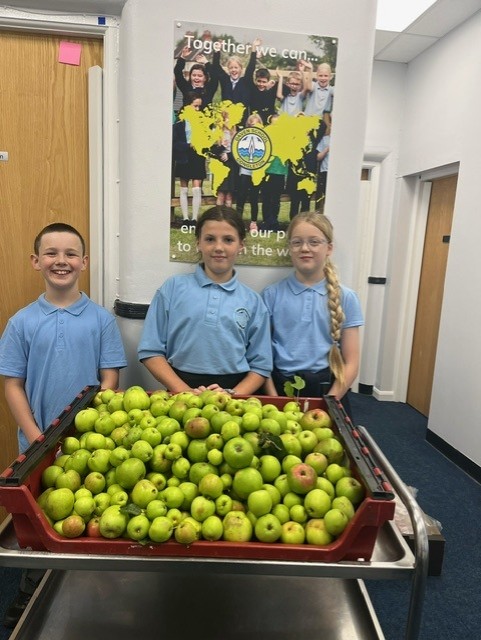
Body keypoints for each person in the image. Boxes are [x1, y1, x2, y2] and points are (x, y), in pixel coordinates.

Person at [0, 222, 127, 628]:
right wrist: (37, 437)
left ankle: (89, 590)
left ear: (84, 263)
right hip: (35, 446)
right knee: (36, 526)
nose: (61, 261)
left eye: (71, 254)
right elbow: (12, 384)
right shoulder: (21, 322)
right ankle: (29, 587)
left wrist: (95, 431)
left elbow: (110, 380)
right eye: (51, 253)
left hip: (90, 446)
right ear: (36, 262)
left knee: (86, 516)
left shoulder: (101, 320)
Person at [138, 206, 272, 395]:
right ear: (198, 243)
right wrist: (183, 390)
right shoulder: (173, 288)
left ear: (241, 245)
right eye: (210, 239)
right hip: (180, 391)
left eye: (228, 240)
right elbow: (150, 350)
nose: (219, 247)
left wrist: (232, 395)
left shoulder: (253, 302)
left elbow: (261, 365)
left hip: (235, 396)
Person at [261, 212, 363, 417]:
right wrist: (274, 400)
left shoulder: (347, 297)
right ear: (289, 248)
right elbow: (262, 356)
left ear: (329, 248)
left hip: (330, 392)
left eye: (314, 242)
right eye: (297, 242)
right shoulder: (271, 295)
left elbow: (351, 362)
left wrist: (330, 404)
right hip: (281, 392)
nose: (305, 248)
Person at [172, 92, 206, 222]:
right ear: (187, 106)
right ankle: (186, 218)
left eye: (199, 107)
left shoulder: (203, 121)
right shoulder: (179, 123)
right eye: (195, 106)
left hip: (197, 156)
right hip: (184, 156)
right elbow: (174, 143)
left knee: (197, 187)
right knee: (184, 188)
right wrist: (188, 145)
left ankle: (194, 218)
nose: (197, 109)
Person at [235, 112, 263, 231]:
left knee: (254, 198)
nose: (253, 127)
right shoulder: (243, 136)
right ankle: (238, 222)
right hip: (245, 171)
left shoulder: (263, 138)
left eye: (256, 125)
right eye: (251, 125)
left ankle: (253, 223)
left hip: (257, 173)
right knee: (241, 196)